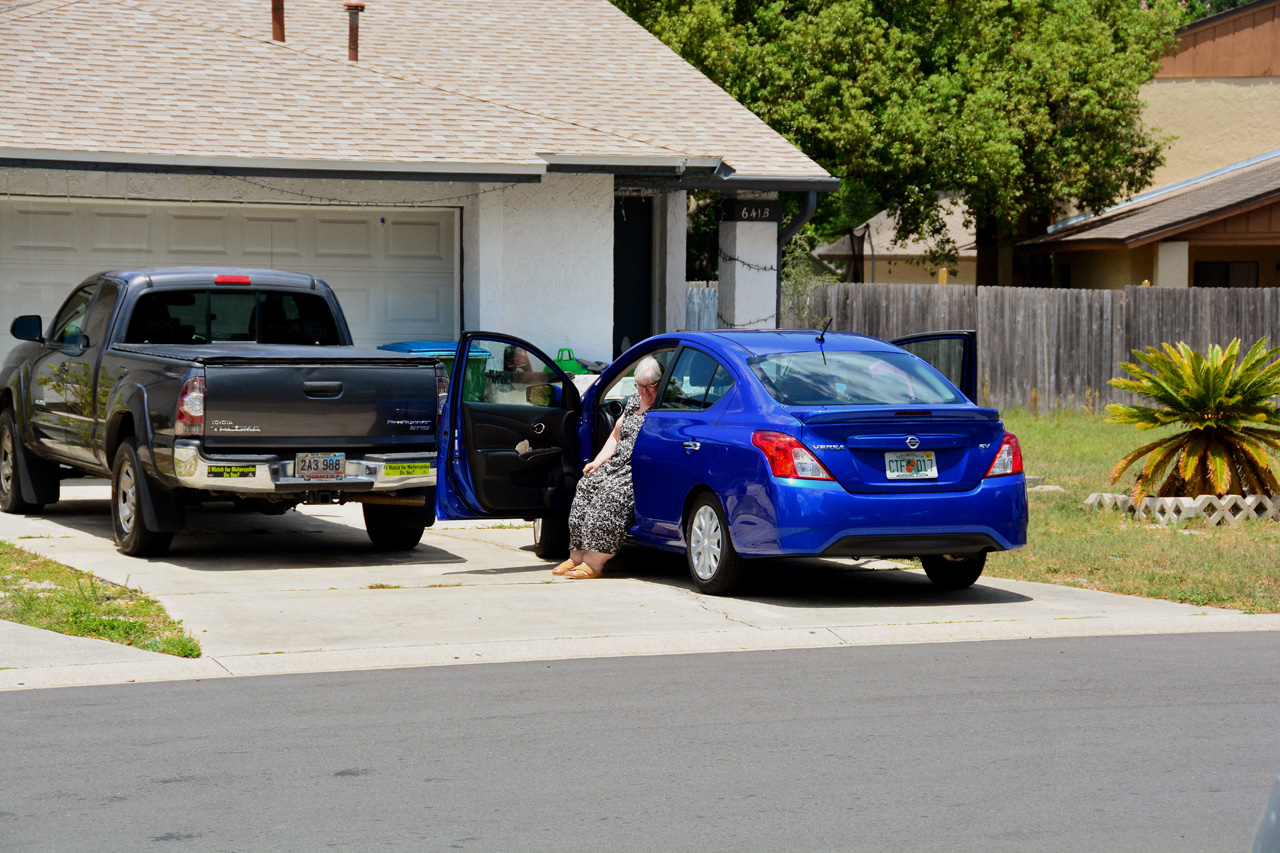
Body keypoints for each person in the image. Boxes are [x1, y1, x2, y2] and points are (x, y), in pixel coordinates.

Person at [553, 356, 663, 579]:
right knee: (586, 486)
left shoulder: (665, 406)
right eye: (640, 386)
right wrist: (598, 461)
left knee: (608, 496)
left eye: (650, 387)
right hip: (618, 462)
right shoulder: (633, 403)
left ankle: (594, 563)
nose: (644, 392)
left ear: (661, 384)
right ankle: (576, 557)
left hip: (639, 467)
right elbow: (615, 435)